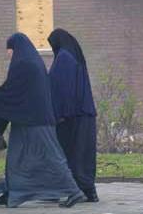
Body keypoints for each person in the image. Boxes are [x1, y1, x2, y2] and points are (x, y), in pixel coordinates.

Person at [0, 33, 84, 208]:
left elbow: (12, 92)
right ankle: (15, 193)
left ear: (16, 48)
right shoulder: (33, 62)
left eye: (9, 50)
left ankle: (74, 191)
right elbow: (17, 92)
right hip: (28, 120)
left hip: (35, 121)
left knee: (52, 157)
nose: (8, 54)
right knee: (17, 159)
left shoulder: (23, 64)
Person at [48, 28, 99, 202]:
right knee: (84, 154)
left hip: (71, 116)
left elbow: (63, 89)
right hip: (84, 113)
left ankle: (77, 191)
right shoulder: (73, 57)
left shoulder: (64, 58)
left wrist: (59, 114)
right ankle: (87, 190)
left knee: (72, 153)